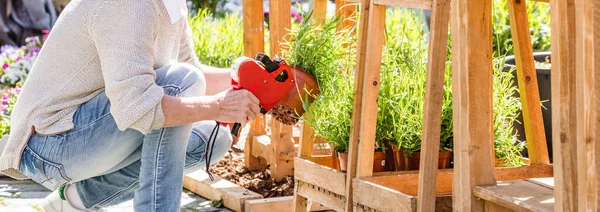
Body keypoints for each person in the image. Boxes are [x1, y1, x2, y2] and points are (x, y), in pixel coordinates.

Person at [0, 0, 261, 211]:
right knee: (179, 84)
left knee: (210, 139)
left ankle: (73, 200)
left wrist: (255, 77)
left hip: (84, 137)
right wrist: (218, 106)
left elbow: (193, 73)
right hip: (47, 145)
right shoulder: (127, 5)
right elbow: (138, 106)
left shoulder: (170, 4)